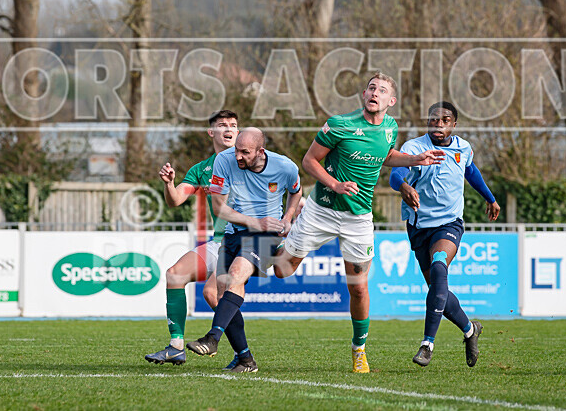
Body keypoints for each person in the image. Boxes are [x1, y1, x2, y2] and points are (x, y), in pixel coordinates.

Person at [273, 72, 445, 373]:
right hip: (322, 209)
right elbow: (309, 161)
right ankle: (279, 234)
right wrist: (335, 184)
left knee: (359, 288)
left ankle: (359, 351)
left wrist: (414, 160)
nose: (375, 93)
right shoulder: (340, 124)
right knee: (282, 270)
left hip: (359, 219)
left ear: (391, 101)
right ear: (364, 95)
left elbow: (386, 156)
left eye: (382, 90)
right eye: (371, 88)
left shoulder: (390, 127)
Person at [389, 101, 500, 367]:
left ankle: (427, 344)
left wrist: (490, 197)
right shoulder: (414, 148)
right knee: (438, 291)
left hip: (449, 223)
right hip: (419, 226)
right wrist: (404, 186)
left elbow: (471, 172)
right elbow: (395, 175)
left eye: (445, 120)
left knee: (440, 267)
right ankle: (470, 329)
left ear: (454, 124)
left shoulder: (463, 148)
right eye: (433, 119)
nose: (438, 124)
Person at [186, 128, 302, 373]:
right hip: (234, 231)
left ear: (260, 151)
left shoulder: (285, 166)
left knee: (236, 274)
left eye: (245, 152)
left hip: (266, 234)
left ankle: (212, 338)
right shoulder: (224, 160)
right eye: (237, 150)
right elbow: (219, 208)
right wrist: (255, 222)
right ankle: (245, 359)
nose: (237, 156)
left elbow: (296, 191)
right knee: (216, 294)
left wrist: (288, 217)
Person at [145, 110, 239, 367]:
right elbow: (175, 200)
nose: (228, 129)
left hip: (243, 241)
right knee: (175, 274)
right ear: (211, 132)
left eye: (233, 125)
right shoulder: (202, 169)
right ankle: (176, 347)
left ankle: (243, 354)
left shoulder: (247, 161)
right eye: (222, 125)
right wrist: (169, 184)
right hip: (219, 241)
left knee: (211, 293)